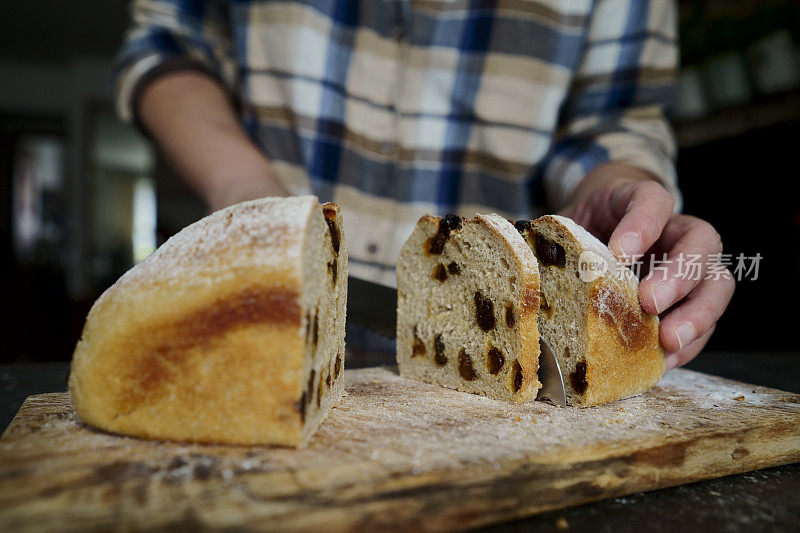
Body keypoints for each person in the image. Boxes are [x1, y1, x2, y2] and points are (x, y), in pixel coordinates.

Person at [112, 0, 733, 369]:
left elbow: (616, 116)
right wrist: (250, 194)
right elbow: (169, 40)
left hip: (511, 357)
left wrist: (619, 190)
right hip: (251, 311)